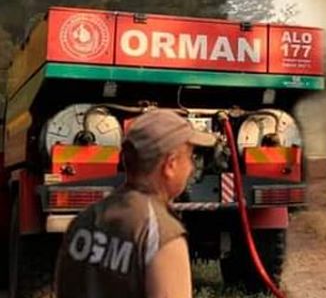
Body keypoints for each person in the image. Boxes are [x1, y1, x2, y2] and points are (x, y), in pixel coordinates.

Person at [53, 108, 217, 298]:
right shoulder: (161, 235)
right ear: (170, 165)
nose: (191, 167)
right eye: (190, 157)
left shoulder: (84, 221)